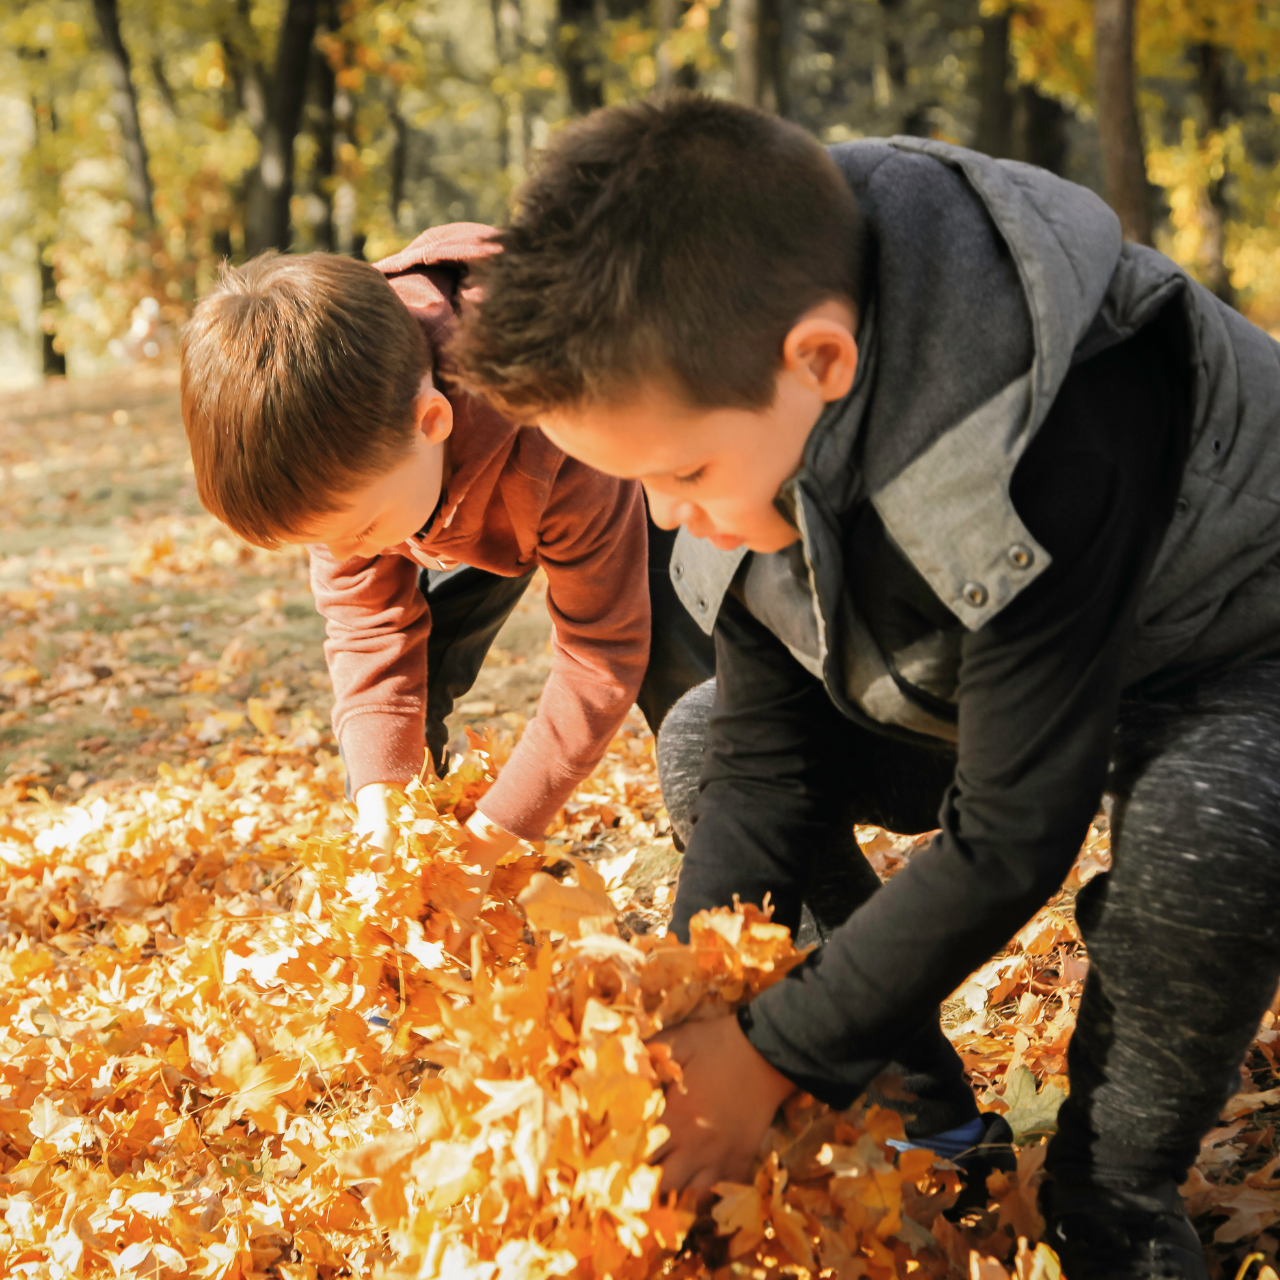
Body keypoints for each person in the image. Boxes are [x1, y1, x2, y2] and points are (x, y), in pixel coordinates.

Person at [450, 94, 1280, 1279]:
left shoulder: (1052, 416)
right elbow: (762, 761)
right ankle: (928, 1124)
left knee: (1212, 830)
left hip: (1228, 649)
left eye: (684, 472)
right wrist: (700, 1004)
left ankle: (1111, 1203)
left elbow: (1012, 830)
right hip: (987, 661)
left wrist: (771, 1050)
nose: (670, 515)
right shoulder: (751, 388)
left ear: (820, 360)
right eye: (642, 486)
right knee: (699, 741)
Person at [179, 227, 713, 918]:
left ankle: (736, 868)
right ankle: (415, 884)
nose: (346, 552)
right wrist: (385, 813)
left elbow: (601, 656)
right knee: (403, 700)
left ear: (430, 420)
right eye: (325, 540)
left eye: (357, 532)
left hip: (621, 468)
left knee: (682, 669)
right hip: (445, 505)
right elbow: (369, 636)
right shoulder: (344, 439)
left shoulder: (561, 417)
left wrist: (496, 835)